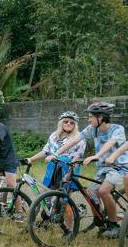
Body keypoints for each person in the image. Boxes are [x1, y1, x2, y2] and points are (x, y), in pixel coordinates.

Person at [52, 102, 127, 238]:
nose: (88, 119)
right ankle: (101, 223)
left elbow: (111, 143)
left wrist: (97, 155)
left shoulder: (117, 129)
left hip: (118, 167)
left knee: (103, 191)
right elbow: (74, 140)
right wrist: (56, 153)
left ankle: (114, 225)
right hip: (102, 168)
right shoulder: (93, 129)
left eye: (91, 116)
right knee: (91, 194)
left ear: (101, 117)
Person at [26, 111, 86, 187]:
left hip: (67, 171)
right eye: (66, 121)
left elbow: (77, 158)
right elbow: (45, 151)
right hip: (52, 170)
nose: (68, 124)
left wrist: (68, 173)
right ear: (61, 123)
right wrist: (31, 159)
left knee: (62, 198)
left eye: (72, 123)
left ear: (75, 125)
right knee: (45, 195)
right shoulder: (54, 135)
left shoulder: (79, 138)